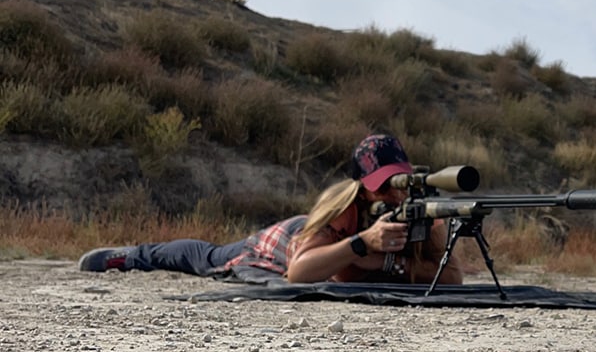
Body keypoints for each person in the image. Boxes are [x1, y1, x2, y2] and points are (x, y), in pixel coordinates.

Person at [78, 134, 463, 285]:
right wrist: (362, 243)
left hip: (328, 245)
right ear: (362, 187)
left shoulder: (419, 214)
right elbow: (299, 272)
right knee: (207, 256)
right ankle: (133, 257)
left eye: (401, 182)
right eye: (384, 185)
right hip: (284, 241)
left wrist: (385, 265)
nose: (396, 195)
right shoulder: (343, 208)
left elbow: (452, 280)